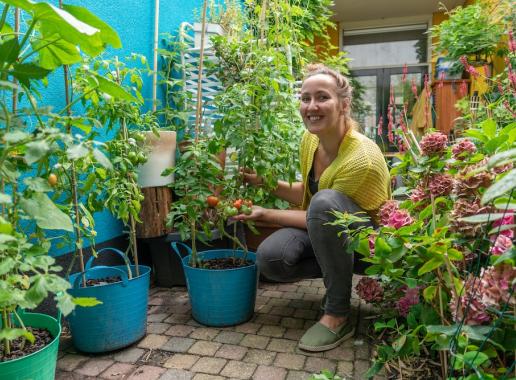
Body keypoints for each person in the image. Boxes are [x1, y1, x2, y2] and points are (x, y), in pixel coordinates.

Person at [233, 63, 391, 352]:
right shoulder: (311, 140)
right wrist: (263, 183)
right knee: (271, 259)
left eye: (322, 97)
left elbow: (322, 212)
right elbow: (307, 194)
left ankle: (337, 313)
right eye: (305, 98)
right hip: (328, 227)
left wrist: (264, 213)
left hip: (369, 245)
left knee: (324, 203)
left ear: (344, 105)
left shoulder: (361, 158)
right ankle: (337, 277)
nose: (311, 106)